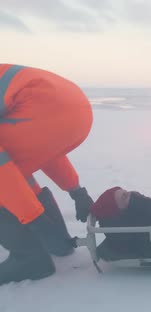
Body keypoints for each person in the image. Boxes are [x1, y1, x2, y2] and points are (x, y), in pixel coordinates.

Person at [0, 64, 95, 285]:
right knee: (14, 168)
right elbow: (41, 146)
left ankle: (28, 259)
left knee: (7, 177)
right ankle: (57, 243)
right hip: (78, 109)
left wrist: (33, 218)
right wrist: (76, 190)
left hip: (42, 110)